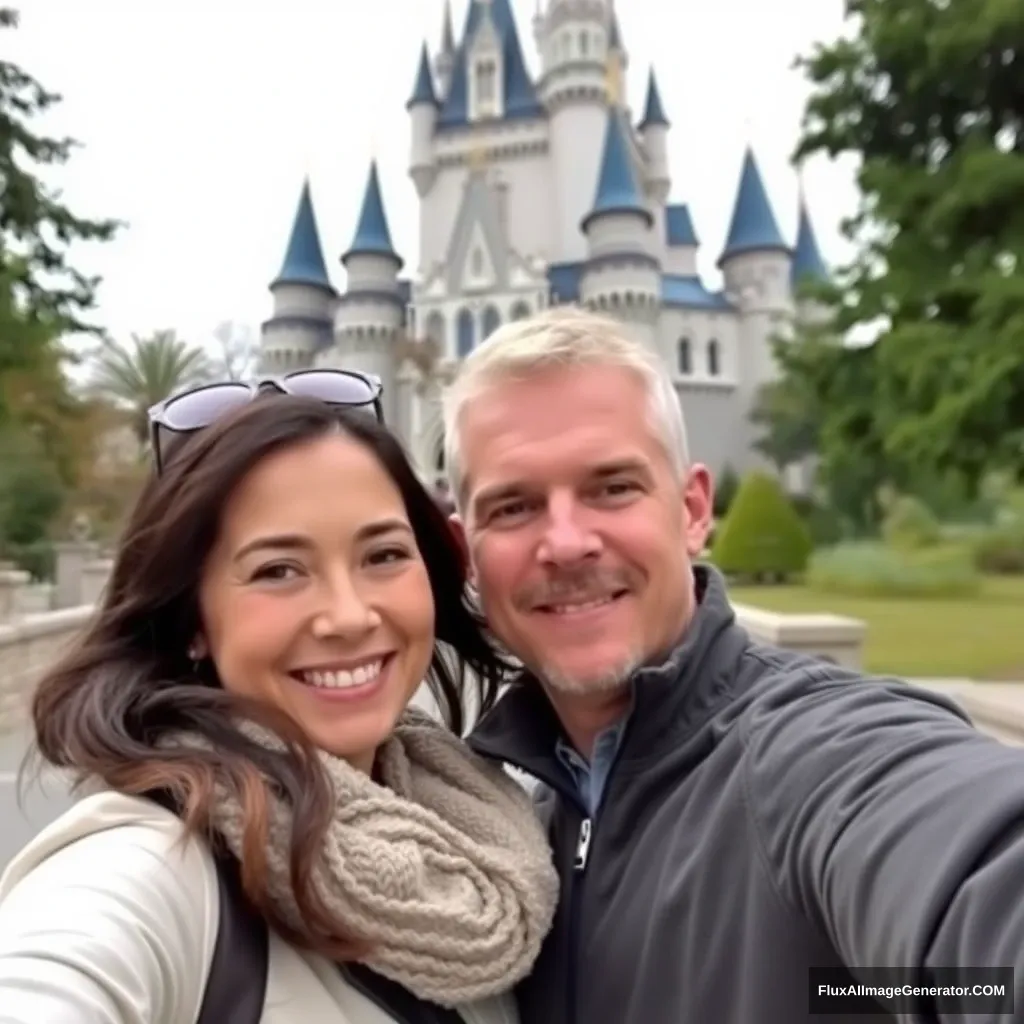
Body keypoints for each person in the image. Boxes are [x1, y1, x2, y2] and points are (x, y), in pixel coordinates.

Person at [442, 306, 1024, 1024]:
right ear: (466, 553)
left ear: (692, 510)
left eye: (612, 488)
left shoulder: (805, 760)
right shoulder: (517, 833)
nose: (565, 542)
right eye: (515, 506)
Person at [0, 371, 559, 1024]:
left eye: (381, 555)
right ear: (192, 623)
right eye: (278, 571)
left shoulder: (476, 833)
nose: (349, 616)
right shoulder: (151, 870)